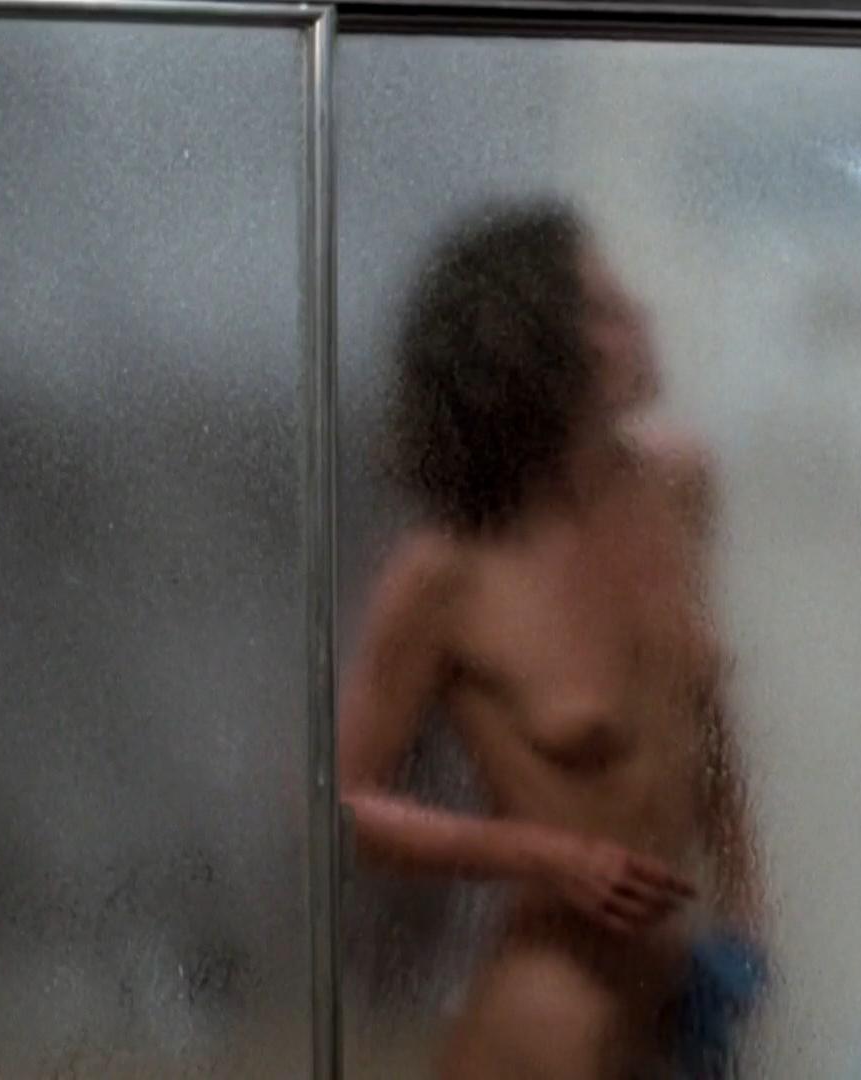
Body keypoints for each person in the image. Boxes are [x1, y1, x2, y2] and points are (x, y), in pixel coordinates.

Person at [338, 201, 765, 1079]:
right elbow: (344, 803)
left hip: (677, 990)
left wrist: (747, 906)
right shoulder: (449, 570)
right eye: (603, 311)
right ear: (532, 356)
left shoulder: (680, 486)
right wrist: (547, 856)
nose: (639, 318)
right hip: (547, 1007)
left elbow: (701, 713)